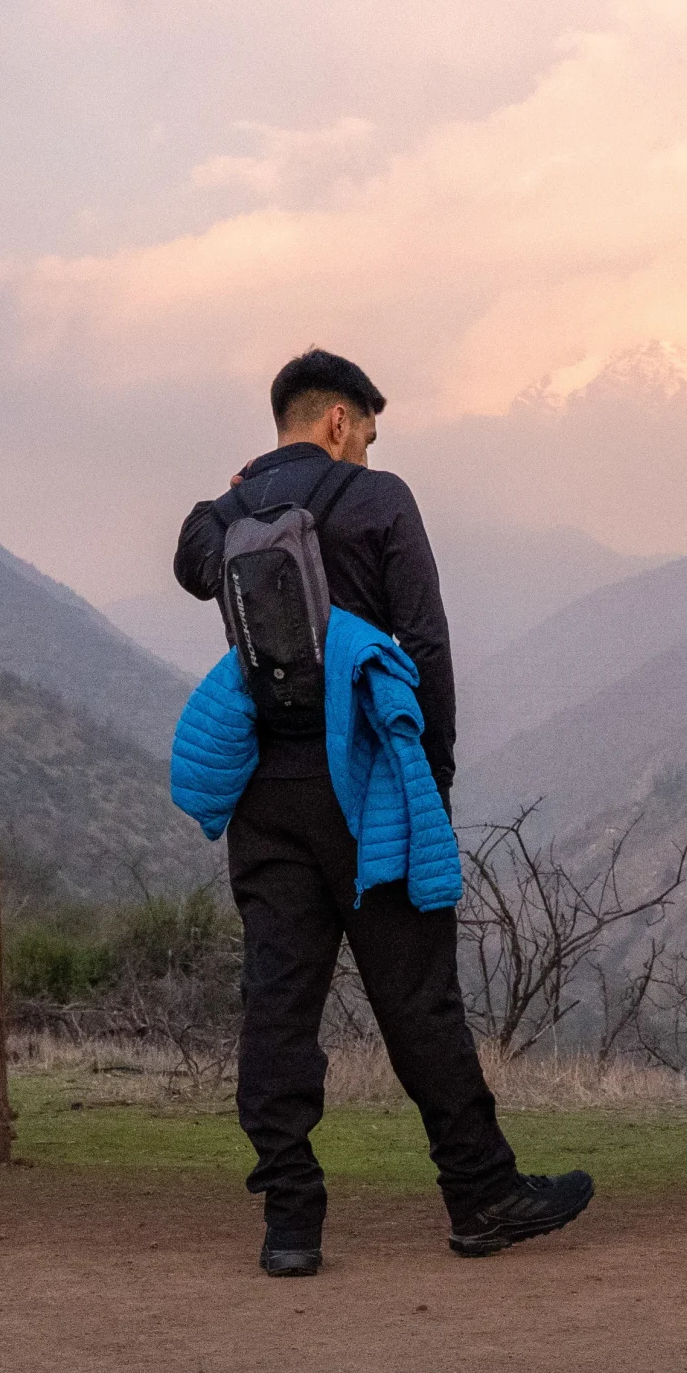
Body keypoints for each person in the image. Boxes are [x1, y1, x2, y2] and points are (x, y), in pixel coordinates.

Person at [174, 348, 593, 1276]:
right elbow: (426, 641)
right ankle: (481, 1195)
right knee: (418, 999)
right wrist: (431, 774)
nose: (367, 446)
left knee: (278, 1004)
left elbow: (190, 566)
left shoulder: (224, 519)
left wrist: (239, 494)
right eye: (365, 429)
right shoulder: (380, 499)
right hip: (367, 784)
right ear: (338, 420)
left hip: (265, 798)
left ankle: (290, 1221)